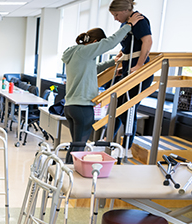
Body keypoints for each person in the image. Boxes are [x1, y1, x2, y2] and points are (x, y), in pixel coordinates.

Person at [61, 12, 143, 163]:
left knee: (75, 147)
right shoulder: (86, 51)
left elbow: (93, 68)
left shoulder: (76, 53)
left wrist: (113, 62)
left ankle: (66, 175)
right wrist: (128, 26)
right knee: (78, 149)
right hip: (82, 107)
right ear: (96, 41)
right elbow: (110, 43)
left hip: (70, 107)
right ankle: (69, 178)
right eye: (99, 44)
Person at [110, 0, 153, 152]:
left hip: (138, 73)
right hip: (128, 71)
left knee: (128, 108)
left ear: (123, 10)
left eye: (116, 14)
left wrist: (140, 65)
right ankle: (108, 140)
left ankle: (126, 146)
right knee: (117, 106)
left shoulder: (139, 20)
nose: (115, 18)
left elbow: (147, 41)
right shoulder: (126, 23)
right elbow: (128, 46)